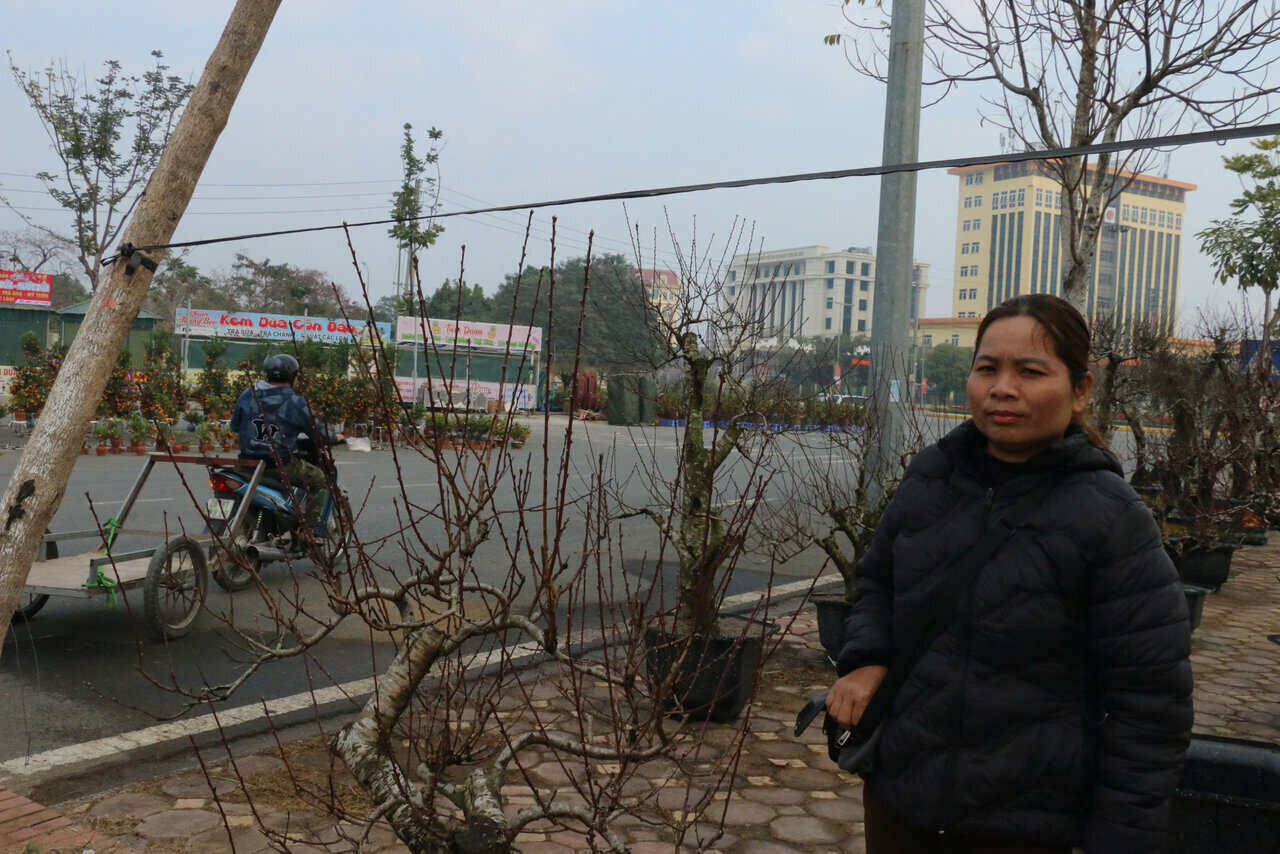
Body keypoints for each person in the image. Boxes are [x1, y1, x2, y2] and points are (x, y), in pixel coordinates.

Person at [826, 294, 1192, 853]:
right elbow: (878, 581)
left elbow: (1151, 704)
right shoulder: (931, 479)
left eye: (1030, 371)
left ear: (1081, 389)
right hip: (904, 796)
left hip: (1028, 819)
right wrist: (866, 657)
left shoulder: (1112, 517)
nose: (1002, 387)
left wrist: (1123, 835)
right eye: (987, 368)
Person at [230, 353, 341, 538]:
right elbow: (319, 434)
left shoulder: (248, 394)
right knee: (320, 480)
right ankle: (309, 533)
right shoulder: (295, 402)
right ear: (293, 377)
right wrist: (336, 436)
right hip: (278, 466)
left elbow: (234, 426)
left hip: (246, 464)